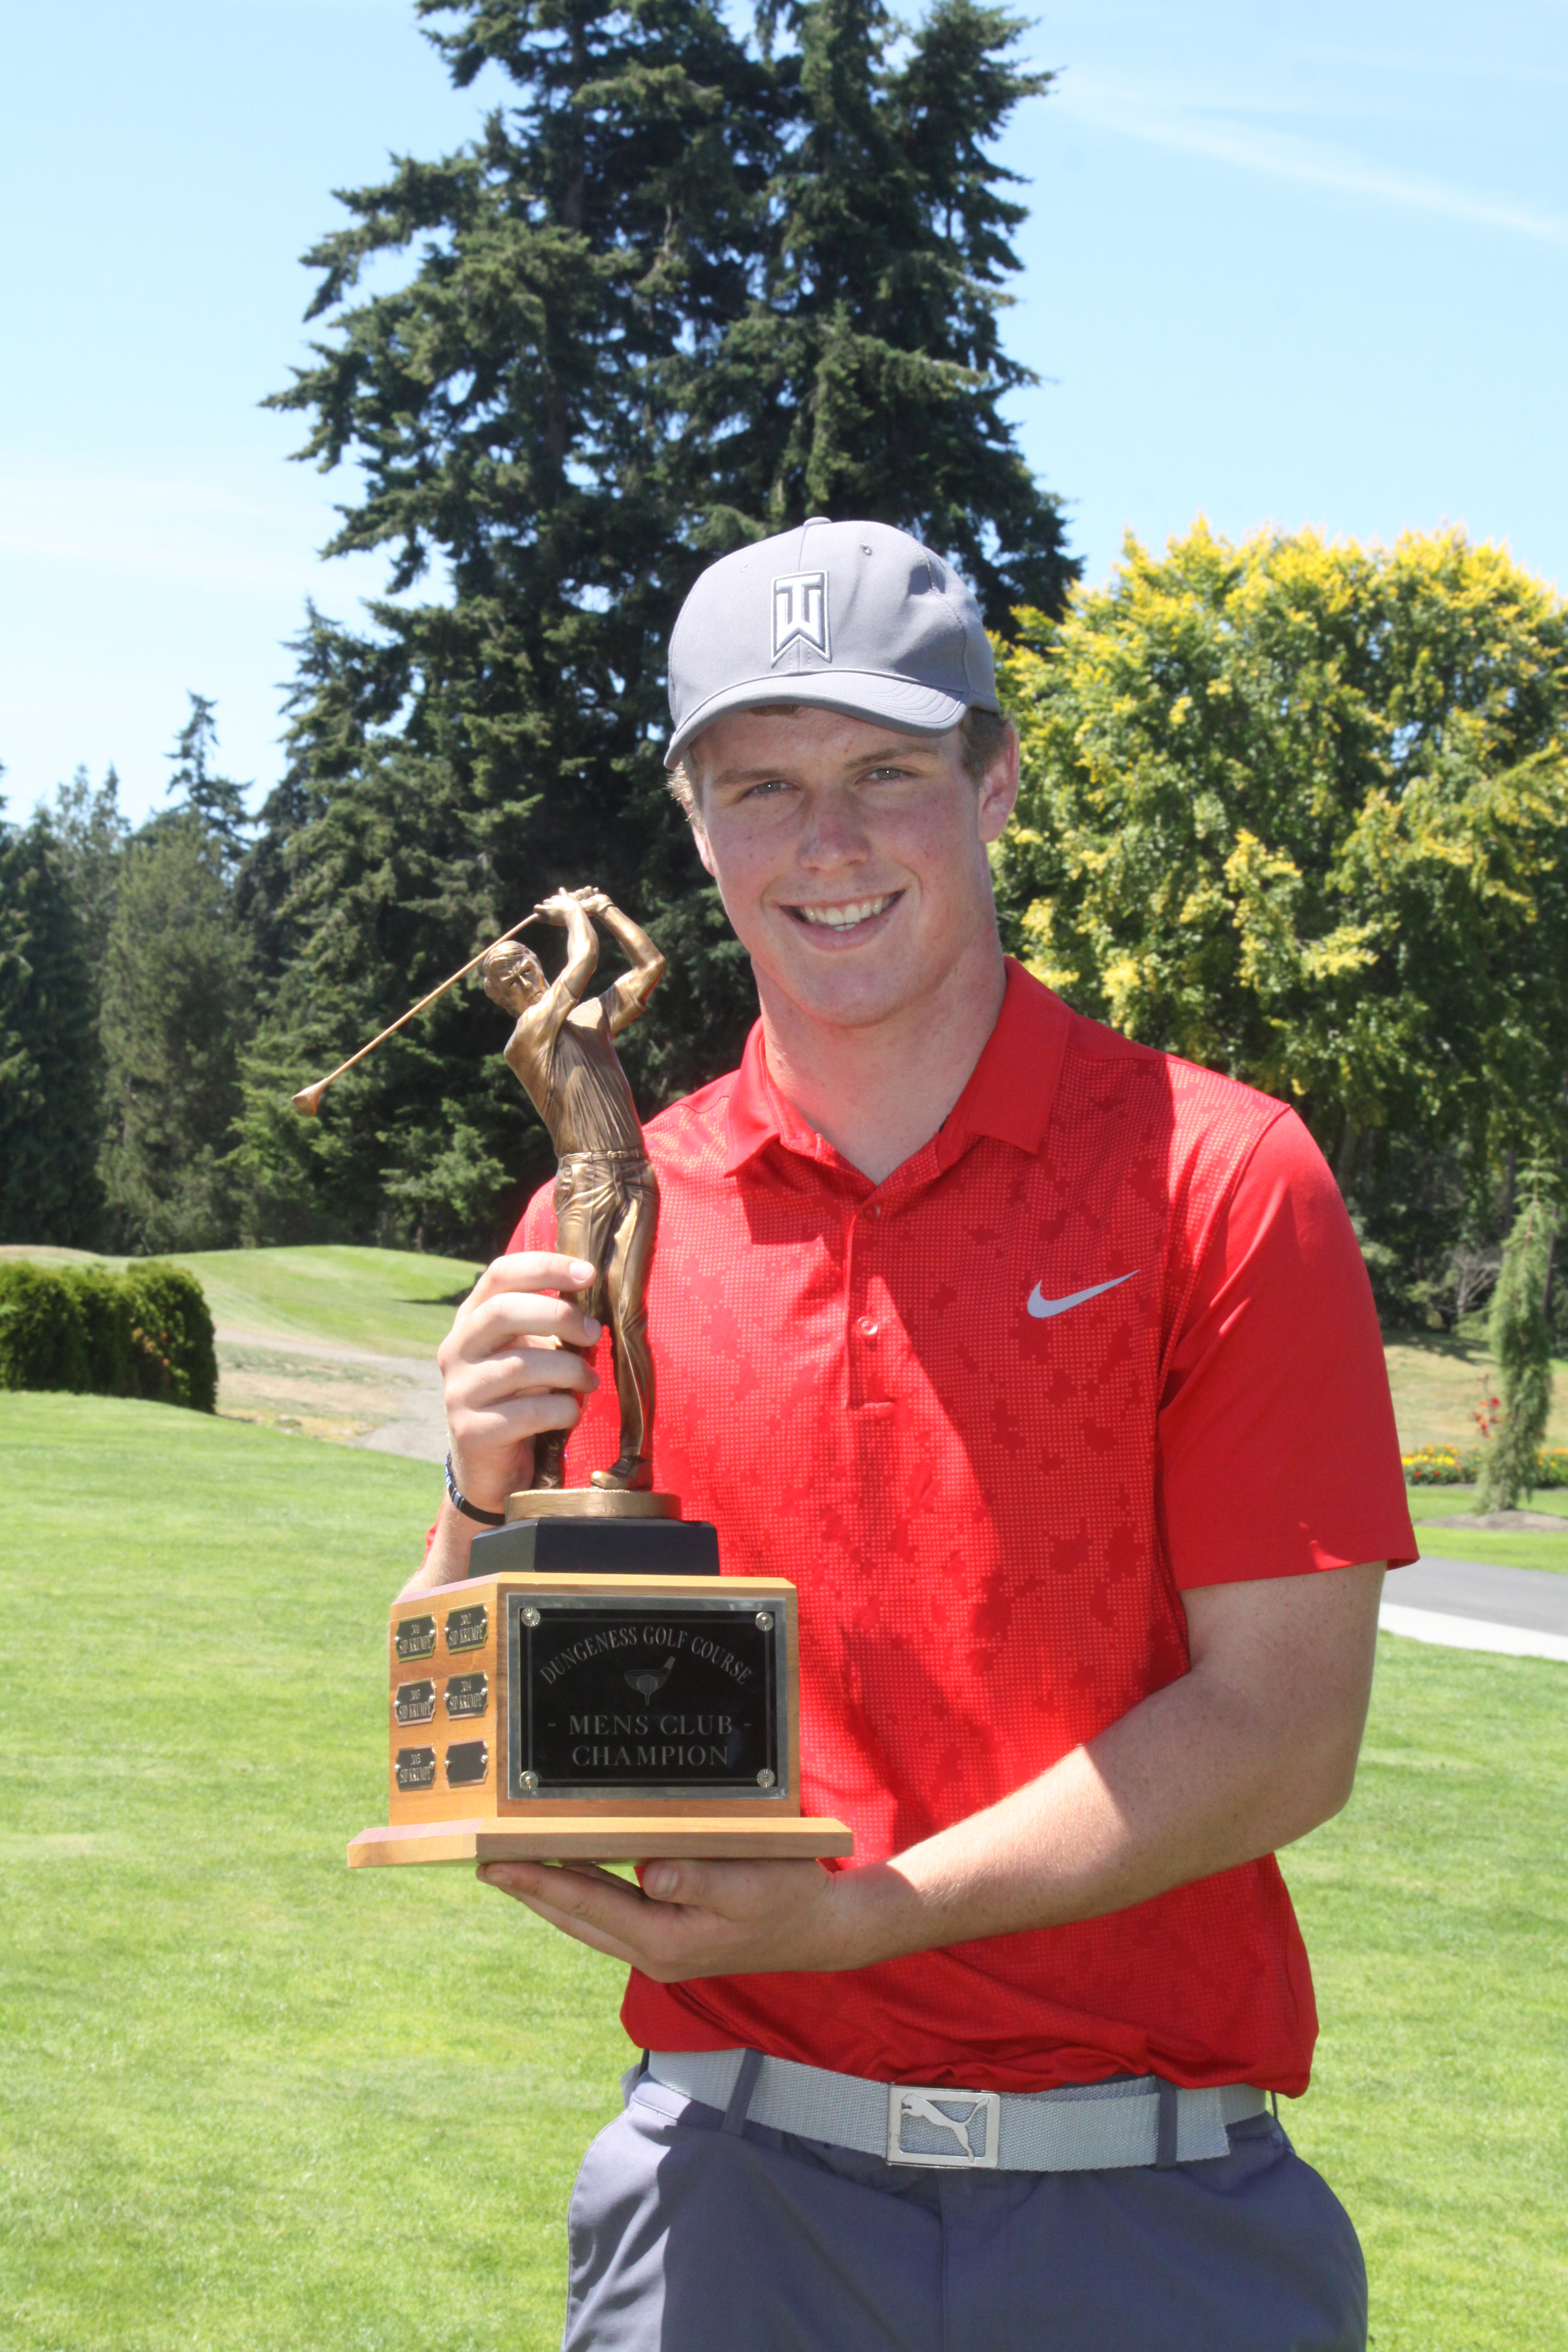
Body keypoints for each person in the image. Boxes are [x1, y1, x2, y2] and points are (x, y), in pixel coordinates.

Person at [405, 518, 1417, 2351]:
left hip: (1152, 2220)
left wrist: (872, 1920)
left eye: (887, 772)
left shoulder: (1218, 1179)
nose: (831, 842)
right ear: (700, 832)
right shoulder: (612, 1214)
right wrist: (475, 1489)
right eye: (764, 788)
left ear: (996, 781)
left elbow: (1285, 1734)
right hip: (728, 2208)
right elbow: (465, 1713)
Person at [481, 886, 665, 1492]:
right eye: (510, 977)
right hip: (584, 1182)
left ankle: (635, 1461)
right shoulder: (527, 1038)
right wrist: (572, 917)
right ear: (503, 997)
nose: (524, 976)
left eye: (525, 964)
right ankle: (551, 1460)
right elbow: (582, 962)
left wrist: (606, 908)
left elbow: (650, 966)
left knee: (629, 1316)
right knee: (580, 1320)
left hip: (635, 1174)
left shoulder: (587, 1020)